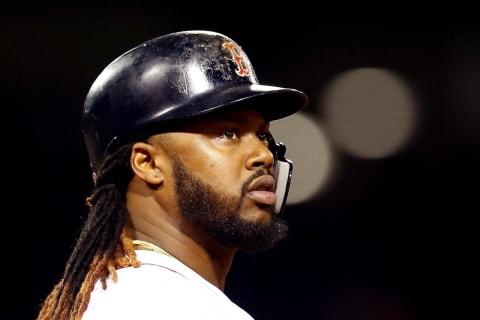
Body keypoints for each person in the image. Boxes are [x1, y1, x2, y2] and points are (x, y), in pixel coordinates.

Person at [37, 30, 308, 320]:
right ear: (148, 163)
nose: (264, 156)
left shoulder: (149, 298)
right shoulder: (158, 305)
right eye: (229, 132)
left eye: (263, 135)